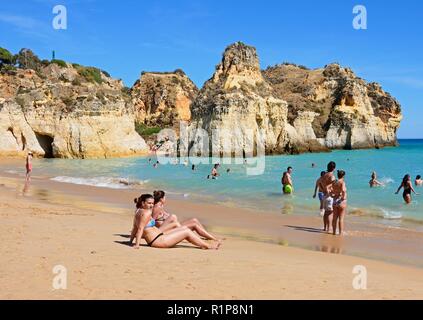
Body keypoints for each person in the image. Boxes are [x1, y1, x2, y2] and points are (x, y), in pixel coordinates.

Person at [129, 194, 220, 250]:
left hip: (158, 236)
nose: (151, 205)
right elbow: (140, 228)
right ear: (143, 203)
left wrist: (130, 241)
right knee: (187, 232)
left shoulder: (138, 211)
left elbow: (134, 228)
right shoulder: (146, 213)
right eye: (149, 203)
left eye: (152, 203)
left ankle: (205, 243)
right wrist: (137, 245)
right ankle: (207, 246)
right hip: (157, 241)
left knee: (184, 228)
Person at [152, 190, 220, 241]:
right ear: (161, 199)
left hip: (173, 227)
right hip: (167, 231)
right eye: (164, 197)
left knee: (194, 220)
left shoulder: (160, 206)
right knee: (194, 224)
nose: (165, 199)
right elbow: (152, 221)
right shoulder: (157, 207)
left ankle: (209, 237)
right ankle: (213, 238)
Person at [321, 161, 337, 232]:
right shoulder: (332, 176)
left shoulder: (324, 175)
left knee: (326, 212)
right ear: (334, 168)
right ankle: (329, 228)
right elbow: (333, 185)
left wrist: (324, 189)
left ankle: (325, 227)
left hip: (324, 195)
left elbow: (321, 183)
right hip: (329, 196)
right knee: (330, 213)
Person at [332, 170, 348, 236]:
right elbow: (343, 190)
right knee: (341, 219)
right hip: (341, 200)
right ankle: (340, 233)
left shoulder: (334, 182)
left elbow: (331, 190)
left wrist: (332, 195)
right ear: (343, 176)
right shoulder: (342, 182)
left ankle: (334, 232)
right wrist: (343, 197)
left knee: (335, 217)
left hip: (335, 200)